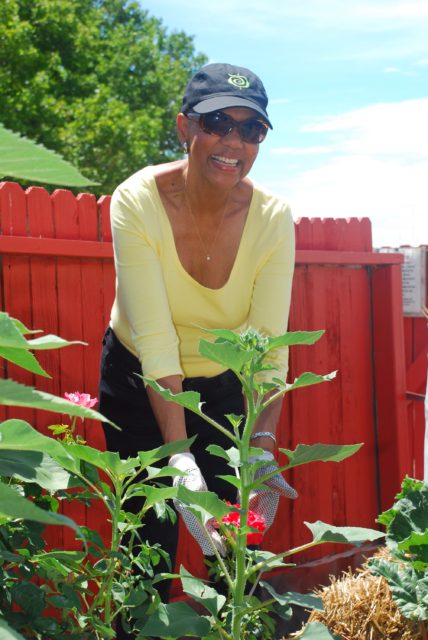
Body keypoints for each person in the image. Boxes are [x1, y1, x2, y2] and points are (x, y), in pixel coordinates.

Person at [99, 62, 297, 636]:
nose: (233, 141)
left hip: (225, 390)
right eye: (217, 123)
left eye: (251, 129)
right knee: (145, 549)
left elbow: (268, 349)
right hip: (140, 383)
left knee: (234, 553)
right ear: (185, 126)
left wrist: (259, 446)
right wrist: (179, 458)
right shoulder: (136, 200)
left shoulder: (274, 218)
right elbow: (157, 341)